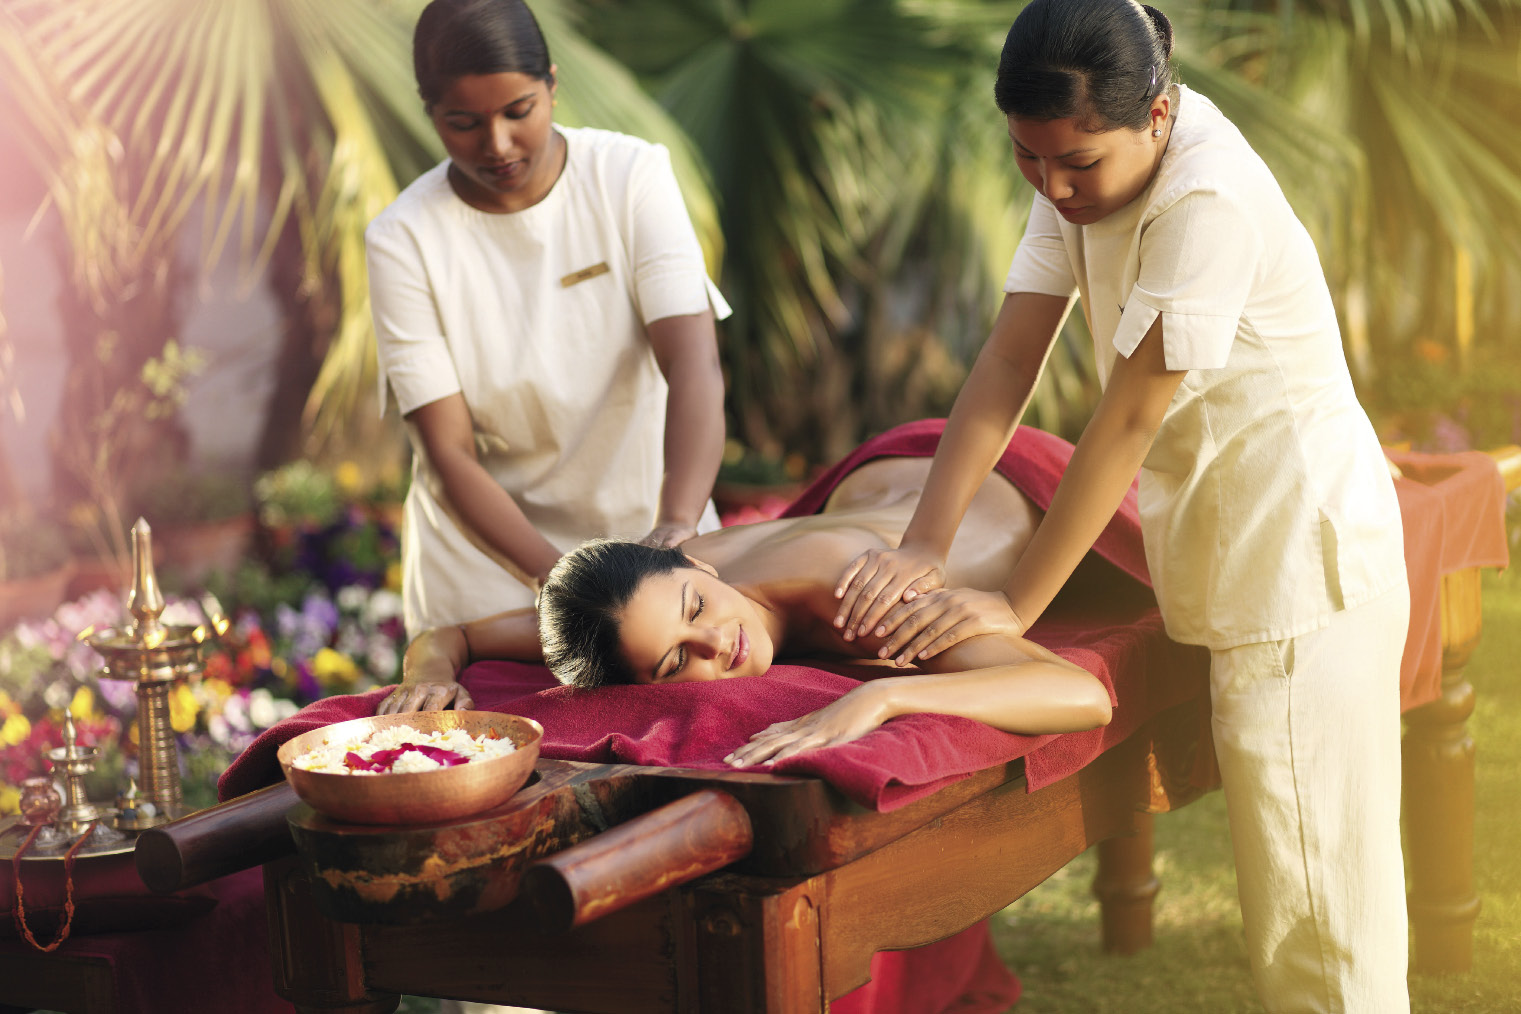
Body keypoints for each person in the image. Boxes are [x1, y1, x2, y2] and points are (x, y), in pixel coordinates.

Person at [829, 2, 1410, 1011]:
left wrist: (1013, 604)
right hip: (1232, 540)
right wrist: (925, 543)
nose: (1052, 187)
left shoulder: (1205, 201)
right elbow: (1010, 358)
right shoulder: (1079, 162)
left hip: (1301, 561)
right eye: (1026, 157)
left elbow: (1127, 420)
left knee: (1320, 931)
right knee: (1307, 914)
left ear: (1158, 116)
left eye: (1075, 164)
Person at [379, 448, 1114, 765]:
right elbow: (453, 635)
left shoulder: (860, 598)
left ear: (698, 562)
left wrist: (884, 696)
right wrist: (429, 673)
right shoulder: (639, 605)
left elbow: (1079, 694)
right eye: (676, 661)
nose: (716, 641)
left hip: (1001, 481)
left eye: (697, 605)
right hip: (884, 489)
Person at [367, 0, 729, 640]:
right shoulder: (402, 239)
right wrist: (558, 582)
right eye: (463, 123)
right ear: (431, 113)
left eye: (519, 111)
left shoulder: (629, 176)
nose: (497, 144)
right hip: (488, 572)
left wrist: (677, 523)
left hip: (653, 547)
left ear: (552, 85)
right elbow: (447, 450)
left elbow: (692, 361)